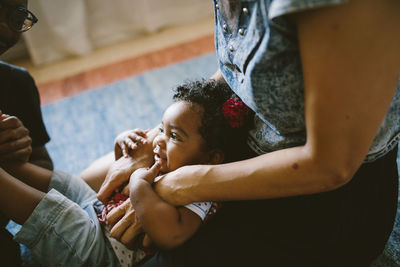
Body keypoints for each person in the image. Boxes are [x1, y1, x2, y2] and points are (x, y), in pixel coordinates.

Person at [92, 0, 400, 266]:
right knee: (89, 185)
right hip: (243, 144)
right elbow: (236, 73)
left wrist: (181, 183)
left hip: (322, 201)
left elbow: (333, 165)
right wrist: (158, 137)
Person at [0, 80, 253, 266]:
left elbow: (171, 234)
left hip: (101, 250)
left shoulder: (203, 193)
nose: (159, 141)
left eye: (174, 136)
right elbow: (117, 173)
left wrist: (139, 185)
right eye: (162, 129)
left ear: (212, 158)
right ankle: (10, 165)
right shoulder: (165, 161)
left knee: (55, 214)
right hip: (98, 212)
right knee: (68, 182)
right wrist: (122, 143)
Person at [0, 1, 51, 266]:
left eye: (17, 16)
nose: (7, 30)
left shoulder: (15, 84)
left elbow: (45, 166)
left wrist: (17, 158)